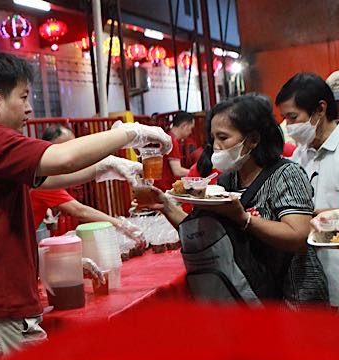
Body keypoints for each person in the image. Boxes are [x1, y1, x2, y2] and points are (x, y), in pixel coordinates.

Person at [0, 51, 171, 360]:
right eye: (23, 97)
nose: (30, 107)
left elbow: (46, 178)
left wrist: (104, 167)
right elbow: (63, 159)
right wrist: (131, 133)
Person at [140, 94, 328, 305]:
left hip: (292, 299)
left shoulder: (286, 174)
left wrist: (243, 219)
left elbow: (299, 237)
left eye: (223, 137)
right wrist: (164, 205)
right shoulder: (227, 180)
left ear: (253, 139)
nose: (216, 146)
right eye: (213, 139)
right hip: (248, 296)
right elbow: (201, 233)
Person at [276, 72, 339, 307]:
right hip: (307, 273)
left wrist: (310, 216)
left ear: (320, 109)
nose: (289, 126)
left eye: (293, 117)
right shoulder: (299, 155)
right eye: (285, 119)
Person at [31, 125, 145, 247]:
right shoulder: (42, 179)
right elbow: (80, 211)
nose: (73, 153)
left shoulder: (49, 177)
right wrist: (122, 226)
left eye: (74, 146)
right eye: (65, 148)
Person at [154, 112, 195, 190]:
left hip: (162, 186)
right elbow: (177, 171)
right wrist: (197, 173)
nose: (190, 132)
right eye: (191, 128)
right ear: (184, 126)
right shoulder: (172, 141)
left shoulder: (169, 138)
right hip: (165, 188)